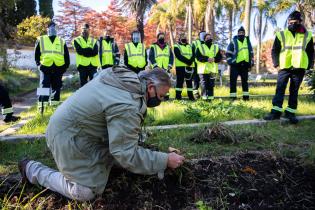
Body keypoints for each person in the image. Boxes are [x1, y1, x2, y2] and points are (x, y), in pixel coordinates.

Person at [18, 67, 185, 201]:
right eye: (161, 96)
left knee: (115, 159)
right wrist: (165, 160)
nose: (161, 101)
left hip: (77, 129)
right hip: (68, 136)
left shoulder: (125, 79)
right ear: (150, 87)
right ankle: (32, 170)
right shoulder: (127, 104)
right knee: (85, 192)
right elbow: (125, 154)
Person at [264, 11, 314, 124]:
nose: (292, 24)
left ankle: (290, 113)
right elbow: (275, 50)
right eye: (290, 22)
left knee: (294, 91)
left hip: (299, 67)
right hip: (284, 67)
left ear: (300, 22)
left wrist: (309, 65)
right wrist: (276, 64)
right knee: (280, 89)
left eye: (294, 22)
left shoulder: (308, 35)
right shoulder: (281, 34)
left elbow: (311, 52)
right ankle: (275, 112)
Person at [34, 21, 70, 109]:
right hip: (45, 67)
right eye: (50, 26)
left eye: (54, 26)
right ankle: (42, 108)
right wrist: (39, 66)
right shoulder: (40, 39)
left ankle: (54, 107)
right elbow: (36, 55)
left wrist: (65, 67)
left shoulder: (62, 41)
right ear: (47, 29)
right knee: (43, 87)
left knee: (56, 88)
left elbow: (66, 55)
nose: (52, 28)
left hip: (58, 68)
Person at [226, 26, 254, 100]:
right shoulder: (233, 41)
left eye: (242, 32)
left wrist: (251, 63)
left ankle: (246, 98)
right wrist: (231, 62)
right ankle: (233, 97)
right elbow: (228, 53)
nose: (241, 34)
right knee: (233, 82)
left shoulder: (247, 41)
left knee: (245, 82)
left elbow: (251, 52)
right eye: (240, 32)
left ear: (244, 33)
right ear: (238, 33)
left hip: (244, 65)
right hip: (235, 65)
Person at [195, 33, 222, 101]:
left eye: (210, 38)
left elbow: (220, 57)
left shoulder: (216, 47)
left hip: (212, 69)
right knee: (204, 84)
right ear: (204, 40)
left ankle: (210, 99)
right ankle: (204, 98)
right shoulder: (200, 47)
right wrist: (207, 59)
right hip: (203, 69)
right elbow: (198, 57)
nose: (209, 39)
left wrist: (214, 59)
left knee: (211, 84)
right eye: (207, 38)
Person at [149, 32, 174, 100]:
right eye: (160, 37)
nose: (161, 38)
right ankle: (157, 96)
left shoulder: (168, 47)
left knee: (166, 82)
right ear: (157, 38)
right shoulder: (153, 46)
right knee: (157, 82)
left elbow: (171, 57)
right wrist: (155, 66)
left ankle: (166, 96)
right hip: (157, 68)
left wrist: (170, 66)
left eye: (163, 37)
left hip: (166, 68)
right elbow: (151, 57)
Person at [174, 33, 195, 100]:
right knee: (180, 82)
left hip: (190, 66)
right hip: (180, 66)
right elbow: (179, 56)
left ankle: (191, 97)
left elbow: (193, 55)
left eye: (185, 37)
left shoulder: (190, 46)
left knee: (189, 82)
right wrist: (188, 61)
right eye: (182, 36)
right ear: (179, 38)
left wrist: (190, 62)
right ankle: (178, 97)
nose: (184, 38)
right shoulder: (176, 46)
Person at [192, 31, 206, 99]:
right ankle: (196, 93)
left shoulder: (207, 42)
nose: (203, 35)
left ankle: (204, 93)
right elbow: (192, 53)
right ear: (199, 36)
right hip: (196, 63)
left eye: (204, 34)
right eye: (202, 34)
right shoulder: (195, 42)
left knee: (204, 79)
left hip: (205, 64)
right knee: (196, 78)